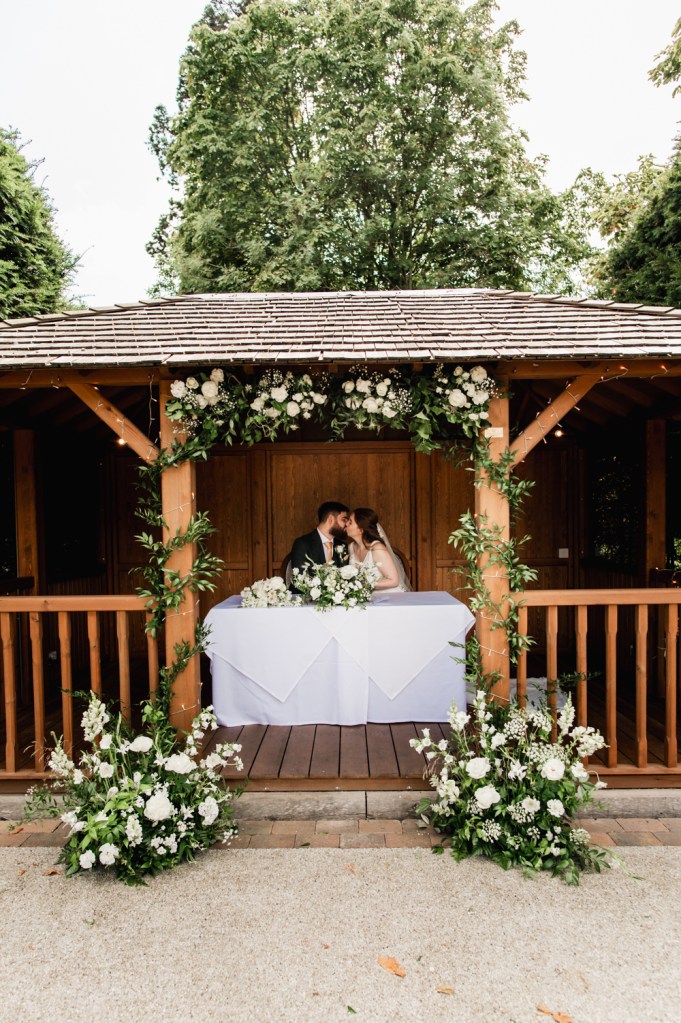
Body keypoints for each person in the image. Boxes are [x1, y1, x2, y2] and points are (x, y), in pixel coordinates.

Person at [346, 507, 411, 592]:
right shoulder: (351, 547)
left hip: (388, 597)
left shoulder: (377, 548)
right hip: (365, 597)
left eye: (350, 522)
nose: (346, 523)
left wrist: (361, 584)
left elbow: (393, 581)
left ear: (361, 530)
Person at [289, 501, 350, 579]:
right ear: (331, 519)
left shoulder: (343, 546)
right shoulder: (302, 543)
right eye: (344, 519)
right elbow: (301, 577)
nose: (347, 524)